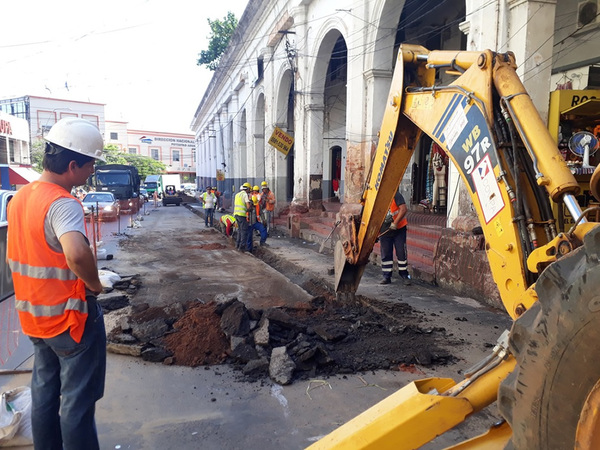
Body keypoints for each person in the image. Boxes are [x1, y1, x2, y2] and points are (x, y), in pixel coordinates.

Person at [7, 117, 107, 450]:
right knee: (77, 403)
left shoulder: (21, 198)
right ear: (73, 164)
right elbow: (77, 253)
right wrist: (94, 284)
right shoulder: (63, 203)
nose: (92, 171)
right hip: (69, 319)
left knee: (45, 391)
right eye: (91, 164)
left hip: (34, 318)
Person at [379, 190, 411, 285]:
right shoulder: (376, 200)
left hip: (399, 230)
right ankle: (386, 276)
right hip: (384, 231)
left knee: (401, 252)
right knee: (385, 254)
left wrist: (395, 223)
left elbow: (403, 209)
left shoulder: (395, 195)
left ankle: (405, 275)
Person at [247, 185, 268, 252]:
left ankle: (262, 242)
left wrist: (264, 220)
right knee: (249, 236)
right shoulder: (247, 207)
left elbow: (261, 213)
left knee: (263, 229)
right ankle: (248, 249)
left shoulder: (258, 205)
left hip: (256, 222)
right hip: (249, 223)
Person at [234, 183, 252, 252]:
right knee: (244, 231)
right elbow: (248, 206)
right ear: (247, 189)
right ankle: (242, 247)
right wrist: (250, 208)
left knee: (239, 230)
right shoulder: (245, 195)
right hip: (241, 215)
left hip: (236, 214)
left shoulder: (237, 195)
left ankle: (237, 244)